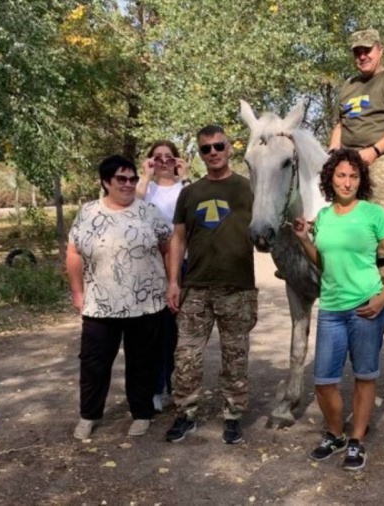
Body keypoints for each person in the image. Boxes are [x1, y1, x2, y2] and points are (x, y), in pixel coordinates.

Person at [292, 149, 384, 471]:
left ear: (361, 180)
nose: (347, 182)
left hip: (365, 307)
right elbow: (323, 263)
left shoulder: (373, 214)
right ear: (330, 179)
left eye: (353, 176)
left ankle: (356, 440)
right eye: (341, 175)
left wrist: (383, 297)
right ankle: (335, 434)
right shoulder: (324, 217)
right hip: (331, 308)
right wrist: (304, 239)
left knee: (364, 377)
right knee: (324, 381)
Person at [164, 125, 258, 445]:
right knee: (186, 355)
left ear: (229, 148)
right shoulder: (189, 194)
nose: (214, 152)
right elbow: (178, 238)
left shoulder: (248, 188)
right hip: (196, 287)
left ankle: (233, 415)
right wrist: (173, 281)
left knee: (235, 356)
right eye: (206, 148)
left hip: (237, 288)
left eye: (219, 146)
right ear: (200, 154)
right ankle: (185, 414)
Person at [66, 155, 171, 439]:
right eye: (121, 179)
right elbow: (73, 252)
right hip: (100, 304)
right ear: (105, 182)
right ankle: (89, 415)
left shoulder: (148, 212)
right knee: (94, 363)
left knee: (142, 362)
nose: (128, 184)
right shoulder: (88, 213)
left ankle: (141, 413)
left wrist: (173, 281)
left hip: (146, 304)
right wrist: (77, 292)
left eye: (133, 179)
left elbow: (168, 247)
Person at [328, 28, 384, 207]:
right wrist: (332, 153)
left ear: (380, 50)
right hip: (348, 156)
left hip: (383, 155)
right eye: (357, 52)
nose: (362, 56)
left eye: (367, 50)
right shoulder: (349, 85)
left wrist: (373, 151)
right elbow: (340, 124)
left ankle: (382, 234)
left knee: (375, 187)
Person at [135, 141, 190, 412]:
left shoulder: (187, 189)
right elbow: (133, 210)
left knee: (179, 330)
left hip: (184, 264)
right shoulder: (145, 189)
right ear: (149, 162)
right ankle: (156, 387)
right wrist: (145, 176)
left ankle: (176, 387)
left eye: (169, 157)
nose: (164, 162)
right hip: (153, 265)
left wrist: (187, 177)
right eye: (157, 158)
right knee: (156, 330)